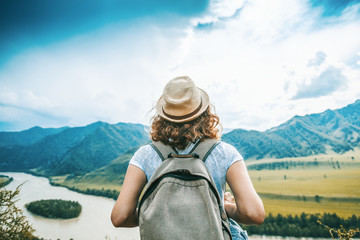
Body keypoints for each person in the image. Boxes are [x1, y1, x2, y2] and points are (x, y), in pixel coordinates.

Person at [111, 76, 265, 239]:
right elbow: (253, 214)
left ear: (161, 116)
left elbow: (120, 217)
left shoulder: (144, 156)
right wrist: (224, 207)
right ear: (205, 113)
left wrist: (158, 217)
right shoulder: (225, 153)